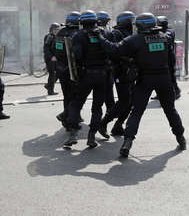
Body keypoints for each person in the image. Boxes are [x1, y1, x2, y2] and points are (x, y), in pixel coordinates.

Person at [98, 12, 186, 157]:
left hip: (145, 80)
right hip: (164, 79)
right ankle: (181, 138)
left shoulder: (135, 40)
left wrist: (100, 37)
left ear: (139, 26)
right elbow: (170, 34)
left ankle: (127, 142)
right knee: (170, 110)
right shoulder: (166, 37)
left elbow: (114, 50)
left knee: (137, 112)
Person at [64, 11, 110, 148]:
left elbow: (77, 55)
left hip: (86, 75)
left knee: (76, 104)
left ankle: (73, 134)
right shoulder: (105, 33)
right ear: (96, 21)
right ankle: (91, 137)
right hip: (102, 75)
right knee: (97, 107)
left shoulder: (79, 36)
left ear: (82, 23)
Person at [100, 11, 136, 136]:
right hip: (121, 71)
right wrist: (127, 60)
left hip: (131, 72)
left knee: (131, 102)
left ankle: (118, 125)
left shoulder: (131, 33)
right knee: (124, 101)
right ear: (125, 22)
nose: (133, 24)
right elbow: (113, 52)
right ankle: (103, 123)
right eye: (131, 21)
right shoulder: (116, 33)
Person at [55, 12, 81, 128]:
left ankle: (68, 119)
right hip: (73, 70)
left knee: (67, 95)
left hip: (61, 69)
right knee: (76, 95)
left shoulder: (61, 32)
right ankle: (70, 118)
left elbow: (56, 50)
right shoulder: (77, 33)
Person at [152, 16, 181, 100]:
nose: (158, 24)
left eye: (159, 23)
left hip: (169, 56)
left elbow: (168, 37)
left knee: (171, 76)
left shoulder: (169, 31)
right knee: (159, 77)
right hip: (160, 56)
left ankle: (176, 92)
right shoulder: (158, 31)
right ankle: (160, 94)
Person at [43, 23, 60, 95]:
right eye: (55, 29)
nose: (56, 31)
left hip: (56, 58)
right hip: (50, 59)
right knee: (52, 74)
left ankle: (48, 85)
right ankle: (50, 91)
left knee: (58, 73)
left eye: (57, 29)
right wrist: (51, 57)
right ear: (51, 30)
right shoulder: (49, 36)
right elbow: (46, 48)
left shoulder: (57, 37)